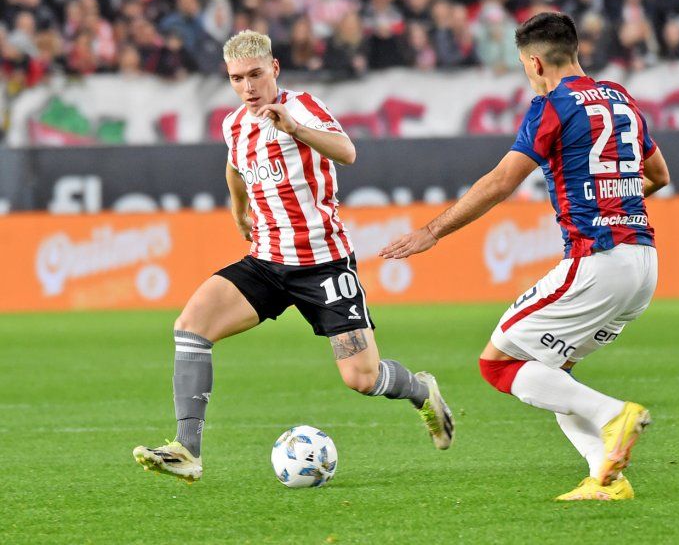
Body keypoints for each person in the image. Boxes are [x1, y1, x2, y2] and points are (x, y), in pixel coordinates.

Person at [133, 30, 454, 482]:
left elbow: (348, 152)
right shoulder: (234, 124)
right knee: (190, 327)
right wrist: (239, 208)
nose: (248, 86)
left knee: (361, 379)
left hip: (323, 263)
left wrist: (296, 129)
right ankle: (187, 451)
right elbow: (235, 164)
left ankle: (421, 390)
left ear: (275, 69)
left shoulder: (302, 107)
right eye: (237, 78)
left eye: (256, 75)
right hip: (266, 262)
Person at [381, 12, 671, 501]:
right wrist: (611, 192)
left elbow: (499, 182)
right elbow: (658, 175)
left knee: (497, 365)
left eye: (523, 66)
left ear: (535, 62)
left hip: (597, 258)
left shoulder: (551, 106)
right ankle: (607, 477)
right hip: (644, 263)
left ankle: (612, 416)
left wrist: (433, 230)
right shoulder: (620, 98)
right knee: (551, 371)